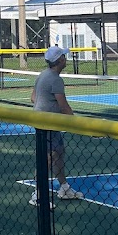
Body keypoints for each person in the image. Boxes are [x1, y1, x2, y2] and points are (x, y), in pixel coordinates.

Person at [29, 46, 84, 206]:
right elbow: (64, 106)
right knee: (47, 158)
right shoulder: (55, 79)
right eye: (64, 57)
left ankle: (64, 188)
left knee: (58, 152)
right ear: (59, 60)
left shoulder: (44, 75)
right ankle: (37, 194)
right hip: (46, 123)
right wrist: (80, 125)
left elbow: (33, 98)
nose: (66, 59)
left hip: (47, 122)